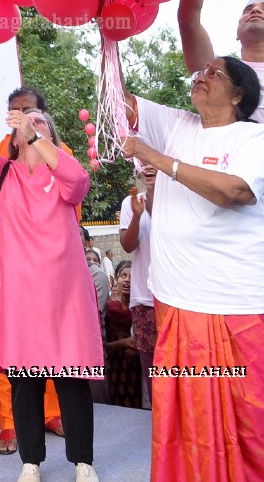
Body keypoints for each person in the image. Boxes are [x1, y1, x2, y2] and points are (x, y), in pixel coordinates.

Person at [122, 54, 264, 481]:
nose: (201, 77)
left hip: (239, 306)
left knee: (259, 425)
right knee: (188, 432)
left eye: (214, 73)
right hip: (179, 307)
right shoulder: (177, 125)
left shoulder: (257, 139)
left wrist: (158, 158)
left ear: (238, 93)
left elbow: (234, 192)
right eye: (200, 73)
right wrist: (109, 37)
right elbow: (119, 103)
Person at [0, 57, 102, 482]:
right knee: (25, 381)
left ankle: (83, 462)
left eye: (37, 120)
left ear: (47, 133)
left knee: (72, 381)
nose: (27, 123)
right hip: (19, 296)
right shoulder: (0, 173)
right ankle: (31, 462)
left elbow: (78, 181)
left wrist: (38, 134)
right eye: (22, 119)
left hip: (64, 296)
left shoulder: (63, 173)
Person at [178, 0, 264, 328]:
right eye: (248, 8)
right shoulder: (220, 77)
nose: (255, 11)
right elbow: (188, 21)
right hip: (239, 221)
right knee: (257, 330)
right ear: (235, 32)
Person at [0, 88, 70, 453]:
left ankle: (51, 413)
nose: (20, 116)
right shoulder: (2, 153)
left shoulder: (57, 150)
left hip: (52, 265)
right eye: (14, 111)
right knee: (10, 351)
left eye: (28, 111)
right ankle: (10, 423)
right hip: (10, 264)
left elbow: (72, 195)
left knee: (51, 348)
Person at [119, 165, 157, 405]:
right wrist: (136, 216)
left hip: (181, 300)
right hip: (145, 300)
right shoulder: (130, 202)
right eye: (142, 161)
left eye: (153, 159)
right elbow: (127, 245)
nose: (148, 166)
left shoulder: (184, 198)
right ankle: (163, 435)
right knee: (154, 377)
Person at [104, 261, 141, 408]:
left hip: (135, 363)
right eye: (123, 276)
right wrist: (124, 343)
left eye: (132, 277)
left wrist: (136, 347)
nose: (127, 280)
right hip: (113, 363)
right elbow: (102, 343)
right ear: (116, 279)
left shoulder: (140, 307)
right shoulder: (107, 307)